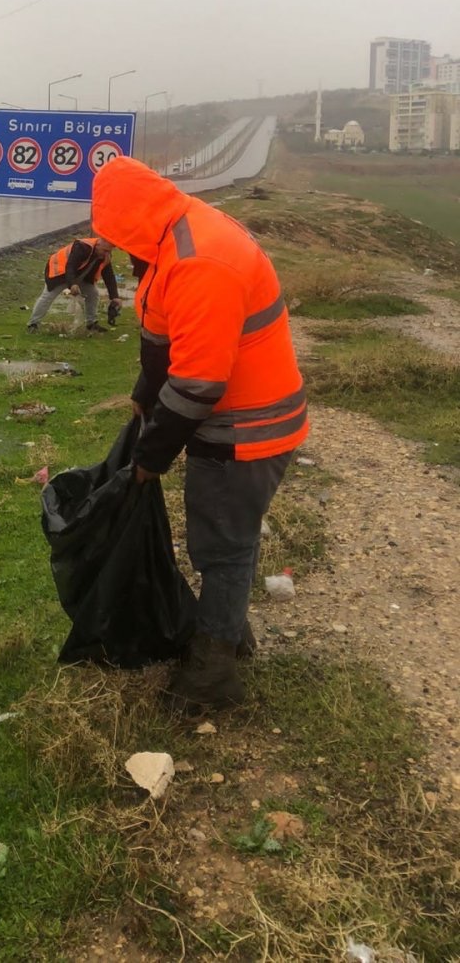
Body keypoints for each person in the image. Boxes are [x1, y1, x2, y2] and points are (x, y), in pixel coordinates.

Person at [91, 156, 308, 714]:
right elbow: (167, 337)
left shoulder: (199, 259)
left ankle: (214, 673)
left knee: (222, 546)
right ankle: (229, 631)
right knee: (229, 537)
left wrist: (150, 457)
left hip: (246, 430)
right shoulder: (174, 235)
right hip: (239, 420)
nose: (117, 248)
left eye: (116, 235)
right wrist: (144, 394)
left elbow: (197, 384)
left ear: (132, 221)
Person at [27, 236, 121, 333]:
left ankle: (91, 323)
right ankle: (33, 324)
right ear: (98, 245)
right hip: (60, 272)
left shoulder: (104, 256)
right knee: (48, 296)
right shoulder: (82, 246)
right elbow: (70, 266)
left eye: (109, 251)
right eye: (105, 250)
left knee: (93, 294)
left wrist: (115, 297)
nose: (106, 254)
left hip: (80, 276)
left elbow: (109, 275)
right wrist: (73, 284)